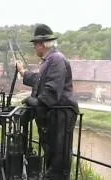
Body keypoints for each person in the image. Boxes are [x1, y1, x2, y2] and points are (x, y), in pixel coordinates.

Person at [16, 24, 79, 180]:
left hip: (61, 115)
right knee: (51, 152)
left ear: (42, 44)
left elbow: (51, 90)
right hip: (53, 115)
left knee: (59, 157)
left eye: (35, 45)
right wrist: (23, 72)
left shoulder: (57, 59)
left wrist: (35, 102)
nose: (34, 48)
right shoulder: (49, 61)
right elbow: (39, 80)